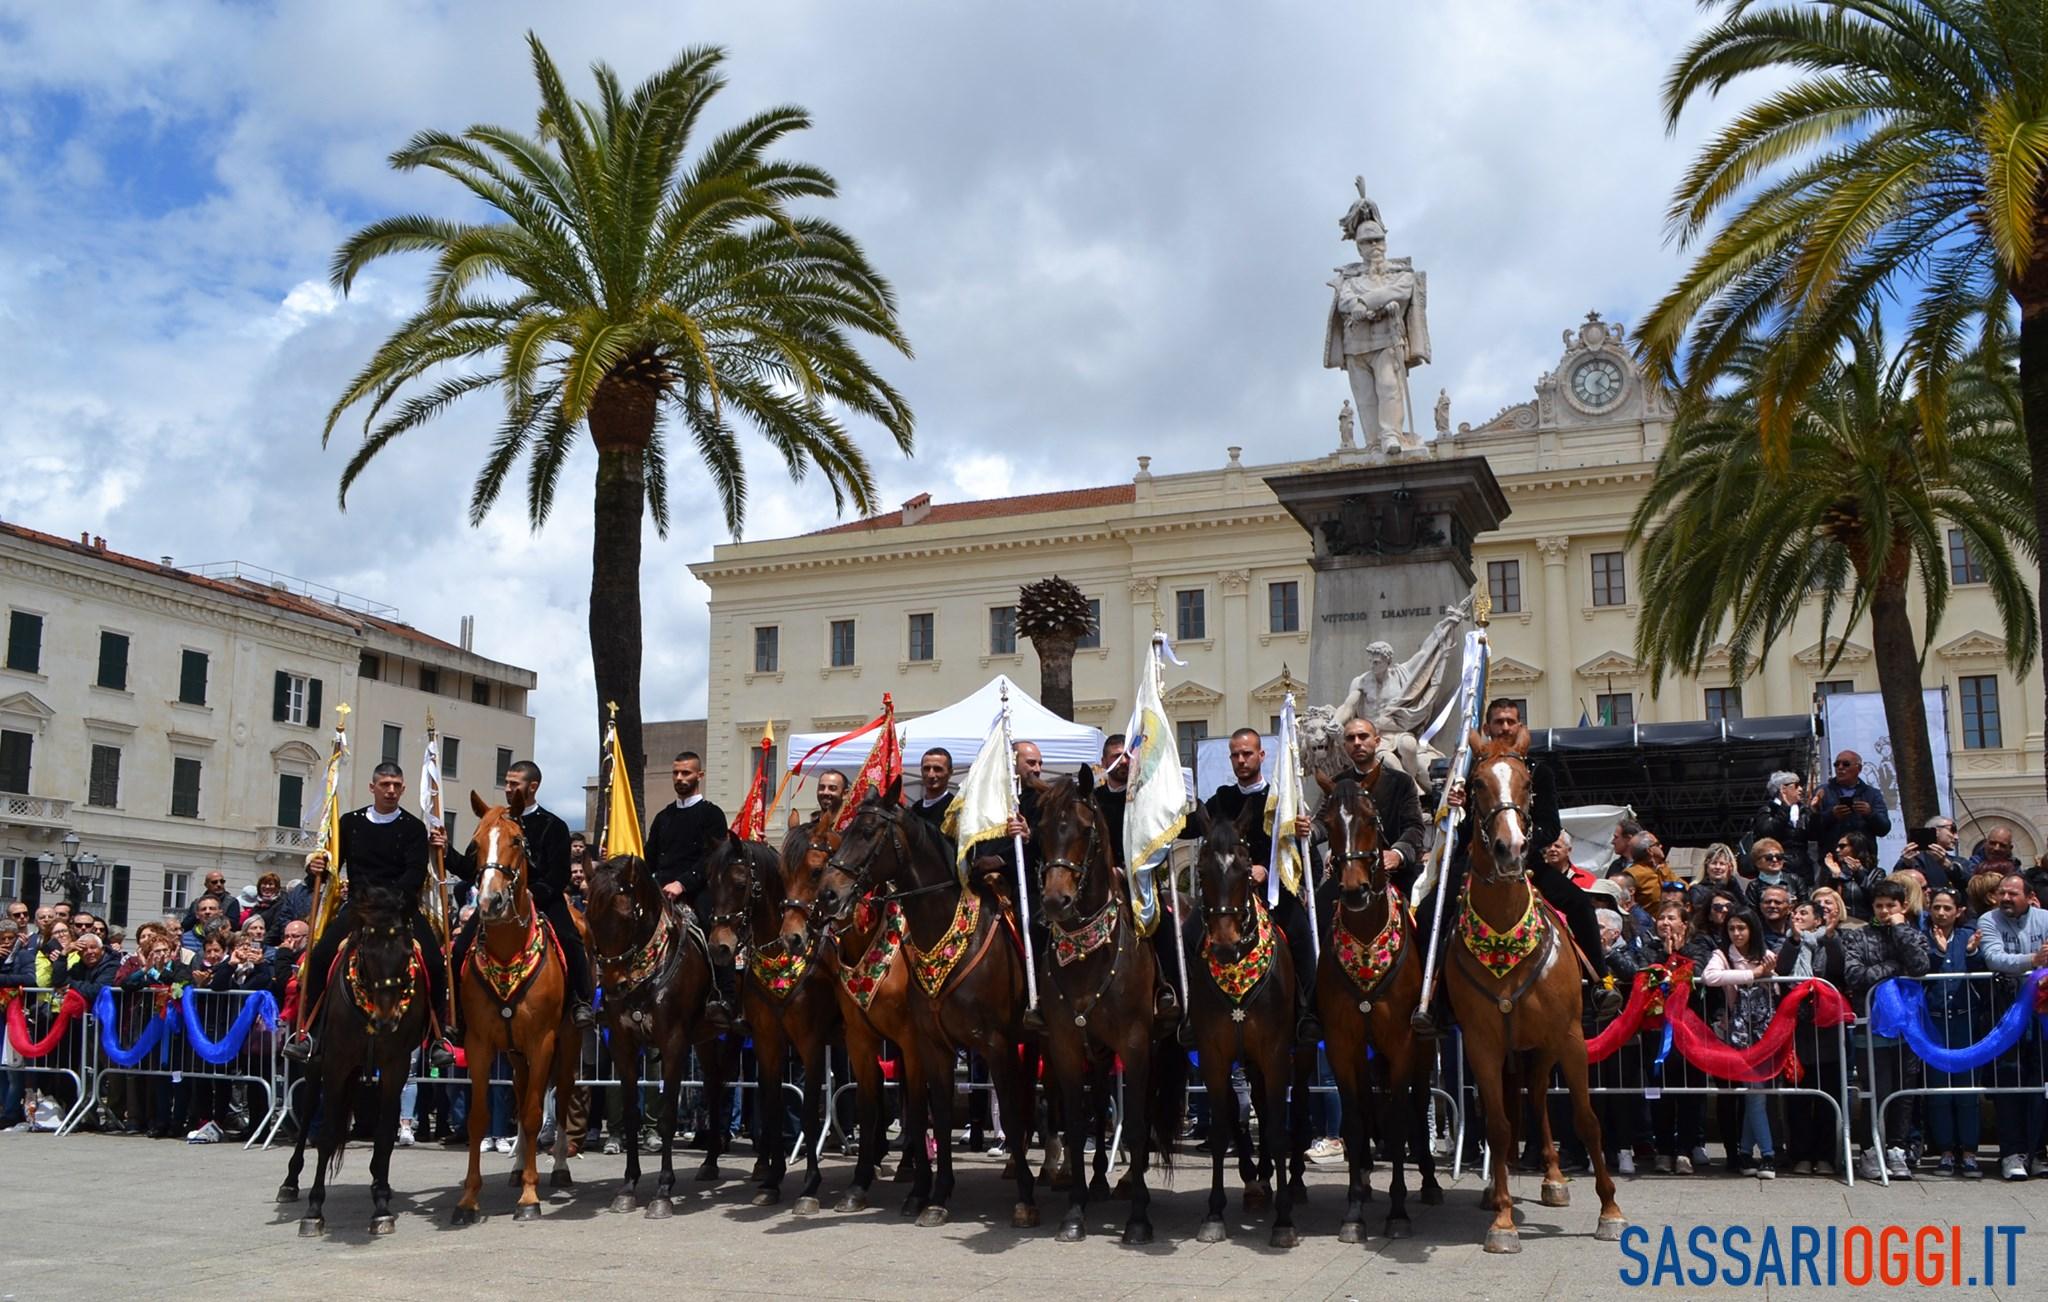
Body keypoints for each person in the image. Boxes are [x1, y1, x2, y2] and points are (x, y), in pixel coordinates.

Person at [1437, 698, 1620, 1014]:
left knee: (1578, 903)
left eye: (1511, 721)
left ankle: (1601, 983)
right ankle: (1436, 996)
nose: (1505, 727)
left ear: (1520, 727)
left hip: (1526, 861)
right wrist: (1455, 809)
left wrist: (1521, 844)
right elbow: (1460, 834)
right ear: (1487, 728)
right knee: (1432, 912)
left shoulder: (1540, 772)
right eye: (1499, 721)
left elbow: (1550, 825)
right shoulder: (1470, 772)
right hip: (1478, 864)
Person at [284, 763, 457, 1066]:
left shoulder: (414, 828)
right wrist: (316, 870)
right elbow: (333, 867)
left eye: (396, 785)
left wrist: (390, 902)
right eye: (385, 784)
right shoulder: (349, 823)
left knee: (434, 961)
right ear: (372, 787)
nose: (391, 790)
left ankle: (438, 1037)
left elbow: (414, 873)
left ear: (403, 789)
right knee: (320, 955)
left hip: (401, 908)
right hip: (359, 907)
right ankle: (308, 1031)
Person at [444, 759, 594, 1031]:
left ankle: (579, 1001)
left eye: (515, 784)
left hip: (542, 899)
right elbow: (470, 868)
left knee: (571, 940)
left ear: (532, 787)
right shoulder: (494, 822)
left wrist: (531, 894)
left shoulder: (553, 825)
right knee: (459, 950)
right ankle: (456, 1020)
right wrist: (445, 851)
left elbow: (558, 875)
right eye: (507, 783)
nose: (508, 788)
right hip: (499, 901)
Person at [1205, 727, 1319, 1048]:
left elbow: (1303, 859)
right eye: (1235, 755)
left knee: (1301, 936)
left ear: (1261, 755)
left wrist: (1268, 871)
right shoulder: (1222, 800)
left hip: (1274, 896)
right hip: (1229, 898)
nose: (1241, 760)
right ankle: (1188, 1013)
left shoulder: (1281, 800)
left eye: (1247, 754)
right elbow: (1192, 824)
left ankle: (1310, 1014)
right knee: (1189, 934)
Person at [1844, 879, 1931, 1180]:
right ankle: (1870, 1149)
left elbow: (1920, 966)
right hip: (1872, 1028)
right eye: (1879, 906)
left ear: (1902, 907)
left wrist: (1900, 930)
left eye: (1889, 906)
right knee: (1875, 1091)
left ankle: (1897, 1148)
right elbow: (1855, 975)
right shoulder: (1859, 937)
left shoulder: (1911, 934)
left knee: (1903, 1092)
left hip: (1907, 1028)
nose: (1883, 911)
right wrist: (1894, 967)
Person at [1975, 872, 2048, 1181]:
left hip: (2041, 1013)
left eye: (2012, 894)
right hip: (2003, 1011)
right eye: (2001, 893)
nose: (2005, 898)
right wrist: (2034, 959)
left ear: (2029, 897)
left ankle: (2039, 1151)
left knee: (2041, 1083)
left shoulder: (2045, 918)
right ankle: (2011, 1152)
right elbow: (1994, 958)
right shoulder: (1988, 921)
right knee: (2008, 1082)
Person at [1702, 906, 1781, 1177]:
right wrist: (1753, 974)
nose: (1736, 933)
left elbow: (1778, 989)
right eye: (1732, 928)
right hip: (1737, 1037)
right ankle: (1768, 1155)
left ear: (1752, 930)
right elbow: (1710, 977)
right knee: (1755, 1097)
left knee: (1754, 1097)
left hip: (1764, 1034)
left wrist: (1766, 974)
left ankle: (1747, 1152)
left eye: (1741, 928)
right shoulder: (1722, 955)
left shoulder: (1766, 955)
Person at [1922, 885, 1986, 1177]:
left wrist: (1971, 953)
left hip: (1963, 1020)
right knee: (1938, 1089)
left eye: (1948, 908)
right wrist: (1938, 952)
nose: (1942, 913)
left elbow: (1981, 972)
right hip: (1934, 1021)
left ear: (1959, 911)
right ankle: (1946, 1150)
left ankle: (1970, 1150)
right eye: (1937, 907)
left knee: (1966, 1088)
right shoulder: (1924, 937)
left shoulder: (1967, 937)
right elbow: (1921, 969)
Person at [643, 751, 728, 924]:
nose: (679, 778)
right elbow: (649, 857)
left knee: (710, 929)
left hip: (697, 891)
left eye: (686, 773)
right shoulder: (663, 817)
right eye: (675, 773)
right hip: (660, 889)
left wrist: (681, 884)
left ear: (700, 775)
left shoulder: (712, 814)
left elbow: (712, 859)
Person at [1807, 750, 1892, 862]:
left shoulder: (1872, 794)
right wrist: (1831, 815)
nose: (1840, 767)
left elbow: (1884, 829)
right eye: (1837, 764)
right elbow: (1811, 832)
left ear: (1859, 768)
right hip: (1832, 859)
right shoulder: (1823, 792)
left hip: (1863, 859)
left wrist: (1870, 814)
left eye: (1846, 764)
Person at [1748, 771, 1813, 874]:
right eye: (1796, 785)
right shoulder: (1768, 810)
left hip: (1803, 869)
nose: (1800, 789)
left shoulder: (1803, 811)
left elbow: (1814, 835)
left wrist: (1816, 812)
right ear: (1783, 789)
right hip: (1777, 868)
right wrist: (1785, 808)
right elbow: (1768, 833)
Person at [1816, 831, 1883, 920]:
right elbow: (1824, 899)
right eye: (1837, 846)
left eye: (1842, 846)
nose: (1837, 850)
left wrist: (1860, 874)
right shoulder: (1837, 872)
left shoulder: (1876, 873)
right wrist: (1835, 876)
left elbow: (1877, 897)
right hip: (1843, 922)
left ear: (1856, 848)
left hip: (1868, 923)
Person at [1897, 816, 1966, 893]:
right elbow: (1895, 884)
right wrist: (1906, 865)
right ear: (1936, 831)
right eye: (1952, 830)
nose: (1956, 837)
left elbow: (1970, 884)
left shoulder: (1960, 862)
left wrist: (1951, 868)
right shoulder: (1912, 860)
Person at [1743, 838, 1805, 910]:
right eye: (1769, 857)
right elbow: (1752, 913)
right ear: (1757, 862)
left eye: (1779, 857)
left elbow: (1804, 906)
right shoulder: (1754, 886)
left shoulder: (1795, 880)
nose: (1775, 860)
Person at [908, 748, 956, 832]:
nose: (931, 775)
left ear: (950, 773)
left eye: (938, 769)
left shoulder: (954, 810)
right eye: (926, 769)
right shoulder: (915, 809)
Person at [1688, 843, 1742, 913]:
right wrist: (1722, 883)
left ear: (1729, 867)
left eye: (1722, 863)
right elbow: (1700, 912)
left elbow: (1747, 910)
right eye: (1714, 863)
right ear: (1706, 866)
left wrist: (1732, 882)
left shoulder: (1734, 887)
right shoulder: (1697, 889)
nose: (1718, 867)